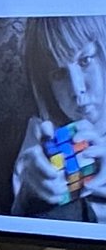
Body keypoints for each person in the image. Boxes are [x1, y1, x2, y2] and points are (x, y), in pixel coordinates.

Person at [11, 15, 106, 219]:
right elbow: (20, 221)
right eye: (59, 74)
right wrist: (30, 194)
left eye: (85, 60)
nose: (77, 88)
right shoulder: (42, 135)